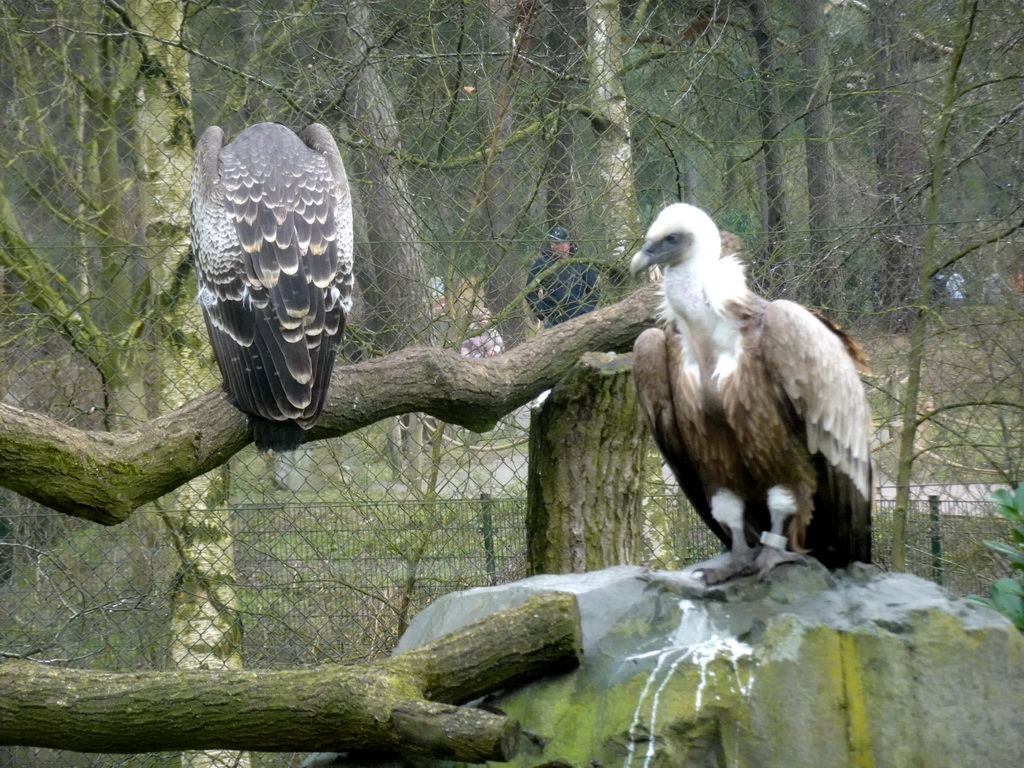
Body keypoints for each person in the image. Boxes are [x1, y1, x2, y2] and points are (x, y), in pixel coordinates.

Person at [526, 225, 599, 327]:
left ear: (568, 244)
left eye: (557, 243)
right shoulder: (542, 263)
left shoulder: (581, 263)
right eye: (551, 242)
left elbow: (595, 290)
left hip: (577, 316)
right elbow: (529, 290)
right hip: (553, 317)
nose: (553, 246)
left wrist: (585, 310)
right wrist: (541, 311)